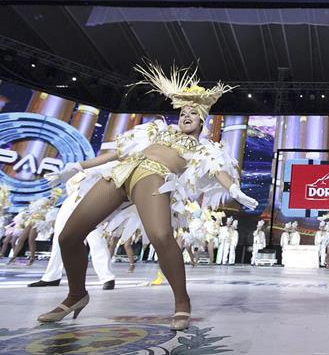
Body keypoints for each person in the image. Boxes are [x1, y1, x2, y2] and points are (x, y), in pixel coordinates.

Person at [37, 63, 258, 330]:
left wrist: (233, 189)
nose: (186, 115)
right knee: (68, 235)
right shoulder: (156, 131)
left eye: (193, 113)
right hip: (121, 174)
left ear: (203, 119)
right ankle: (76, 295)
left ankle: (182, 303)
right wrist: (78, 167)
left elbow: (217, 169)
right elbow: (120, 152)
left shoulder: (205, 148)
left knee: (162, 237)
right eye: (184, 111)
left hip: (154, 178)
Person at [29, 169, 115, 288]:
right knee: (59, 238)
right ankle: (51, 277)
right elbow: (71, 188)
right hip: (70, 202)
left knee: (96, 240)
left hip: (91, 204)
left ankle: (107, 277)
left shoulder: (105, 169)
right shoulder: (79, 172)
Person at [8, 188, 63, 266]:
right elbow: (33, 209)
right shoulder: (42, 202)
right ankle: (14, 256)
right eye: (51, 197)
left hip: (38, 223)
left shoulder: (52, 209)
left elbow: (49, 219)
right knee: (21, 239)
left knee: (31, 240)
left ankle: (32, 258)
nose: (52, 199)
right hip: (31, 221)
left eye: (54, 199)